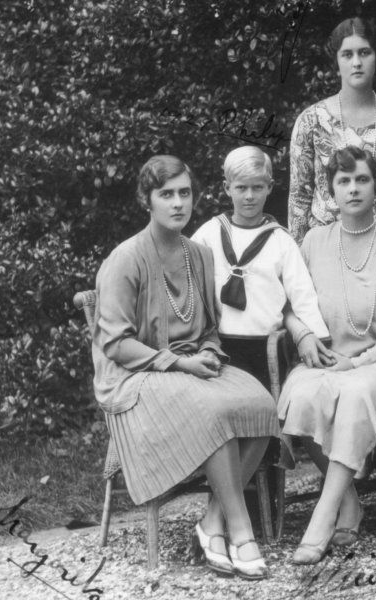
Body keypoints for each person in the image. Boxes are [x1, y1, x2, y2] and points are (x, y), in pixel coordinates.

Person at [92, 155, 278, 579]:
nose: (177, 203)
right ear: (147, 200)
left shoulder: (199, 253)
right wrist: (180, 362)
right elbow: (115, 343)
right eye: (166, 195)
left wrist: (208, 351)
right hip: (136, 376)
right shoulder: (127, 259)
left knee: (263, 405)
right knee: (212, 412)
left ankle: (211, 522)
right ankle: (240, 527)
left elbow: (210, 325)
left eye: (184, 193)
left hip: (188, 366)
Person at [278, 146, 376, 565]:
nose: (353, 188)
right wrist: (303, 334)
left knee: (357, 391)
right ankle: (349, 502)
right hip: (326, 359)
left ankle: (322, 516)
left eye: (362, 179)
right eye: (343, 181)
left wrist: (359, 362)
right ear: (331, 191)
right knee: (300, 394)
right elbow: (289, 302)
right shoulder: (313, 241)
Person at [192, 145, 329, 391]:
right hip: (219, 345)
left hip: (267, 348)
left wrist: (318, 339)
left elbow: (302, 295)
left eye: (257, 187)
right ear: (227, 188)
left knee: (265, 411)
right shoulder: (208, 234)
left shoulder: (281, 241)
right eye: (241, 187)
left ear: (270, 187)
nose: (249, 196)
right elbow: (186, 279)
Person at [288, 17, 376, 244]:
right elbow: (299, 200)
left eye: (365, 52)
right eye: (347, 55)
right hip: (328, 254)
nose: (357, 62)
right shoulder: (311, 121)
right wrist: (299, 265)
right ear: (336, 61)